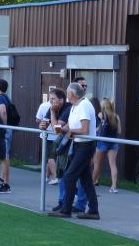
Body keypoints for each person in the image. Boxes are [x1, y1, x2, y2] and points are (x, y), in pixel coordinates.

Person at [49, 83, 99, 220]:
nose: (66, 95)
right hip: (78, 145)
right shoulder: (75, 107)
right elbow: (59, 129)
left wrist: (70, 131)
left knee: (69, 176)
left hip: (86, 145)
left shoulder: (83, 105)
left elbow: (84, 129)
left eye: (68, 92)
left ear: (73, 94)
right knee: (86, 179)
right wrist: (52, 114)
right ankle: (94, 210)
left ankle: (66, 210)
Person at [92, 98, 121, 193]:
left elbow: (100, 128)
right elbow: (119, 131)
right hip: (113, 142)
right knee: (113, 164)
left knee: (97, 164)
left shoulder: (101, 115)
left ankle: (92, 183)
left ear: (103, 106)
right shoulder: (116, 116)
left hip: (102, 142)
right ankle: (114, 186)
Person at [0, 79, 12, 183]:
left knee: (4, 153)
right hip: (9, 127)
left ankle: (5, 178)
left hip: (4, 128)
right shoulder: (7, 97)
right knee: (5, 152)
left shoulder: (0, 98)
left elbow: (3, 111)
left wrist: (3, 126)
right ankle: (3, 175)